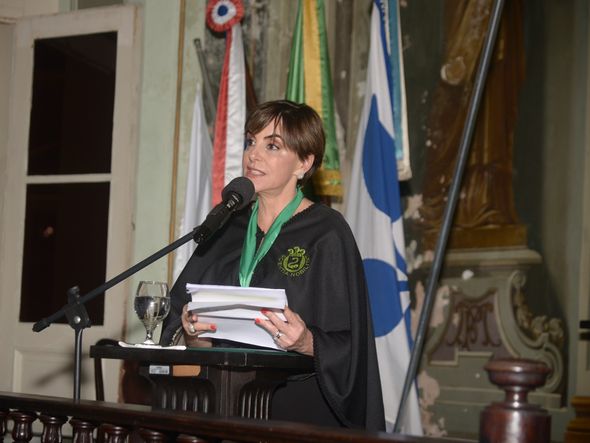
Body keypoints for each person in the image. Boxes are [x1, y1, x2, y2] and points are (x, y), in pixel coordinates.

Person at [160, 100, 385, 431]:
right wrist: (195, 337)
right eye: (251, 141)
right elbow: (179, 323)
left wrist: (307, 341)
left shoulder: (327, 232)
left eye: (272, 145)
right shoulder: (226, 227)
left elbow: (354, 346)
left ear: (303, 163)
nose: (254, 154)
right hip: (224, 406)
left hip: (298, 410)